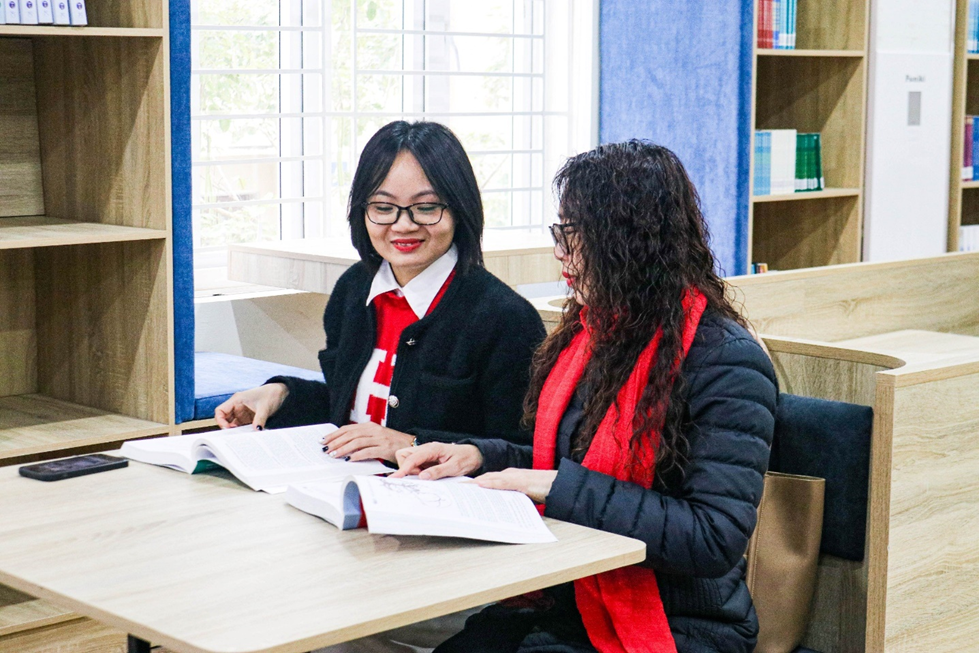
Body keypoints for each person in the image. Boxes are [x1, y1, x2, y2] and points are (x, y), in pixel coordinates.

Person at [395, 141, 778, 653]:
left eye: (573, 235)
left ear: (630, 242)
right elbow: (578, 463)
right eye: (561, 232)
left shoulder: (726, 360)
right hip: (568, 593)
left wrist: (552, 485)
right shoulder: (593, 332)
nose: (560, 252)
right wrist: (481, 454)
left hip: (677, 621)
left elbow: (712, 537)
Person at [215, 120, 546, 464]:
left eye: (427, 207)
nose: (403, 225)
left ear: (459, 210)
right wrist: (282, 394)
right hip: (345, 486)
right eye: (384, 208)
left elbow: (524, 453)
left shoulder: (506, 318)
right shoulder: (353, 290)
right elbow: (352, 406)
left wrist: (408, 444)